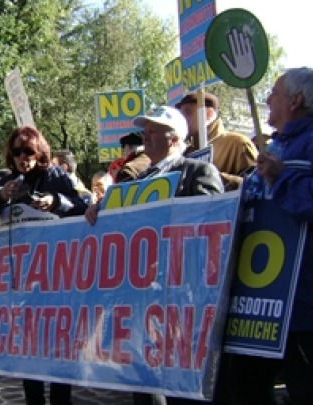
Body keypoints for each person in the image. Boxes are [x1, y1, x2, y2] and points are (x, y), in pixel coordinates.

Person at [229, 67, 313, 405]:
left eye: (274, 92)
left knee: (308, 394)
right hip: (258, 305)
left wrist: (282, 179)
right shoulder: (277, 147)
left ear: (296, 100)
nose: (268, 100)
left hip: (304, 303)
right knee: (245, 391)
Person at [84, 106, 223, 405]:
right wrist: (100, 211)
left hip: (179, 297)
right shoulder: (137, 182)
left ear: (173, 139)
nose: (145, 137)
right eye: (145, 131)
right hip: (141, 299)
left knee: (179, 384)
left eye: (153, 131)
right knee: (144, 382)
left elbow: (209, 228)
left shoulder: (197, 172)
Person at [0, 126, 87, 405]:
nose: (22, 157)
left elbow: (83, 206)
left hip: (56, 277)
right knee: (28, 348)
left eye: (29, 151)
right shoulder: (8, 183)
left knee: (60, 346)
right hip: (22, 281)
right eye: (16, 152)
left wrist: (56, 201)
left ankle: (62, 400)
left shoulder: (55, 176)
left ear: (40, 153)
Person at [176, 92, 258, 190]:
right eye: (182, 114)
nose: (183, 120)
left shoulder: (238, 143)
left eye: (188, 113)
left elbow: (255, 185)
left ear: (209, 114)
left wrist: (211, 177)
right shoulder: (187, 152)